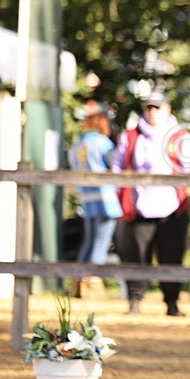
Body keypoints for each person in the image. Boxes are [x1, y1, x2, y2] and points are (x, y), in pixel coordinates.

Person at [113, 92, 190, 316]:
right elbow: (118, 167)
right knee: (136, 257)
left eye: (157, 107)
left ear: (168, 109)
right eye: (149, 107)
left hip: (171, 209)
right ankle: (135, 301)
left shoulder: (181, 136)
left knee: (172, 256)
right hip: (139, 208)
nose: (153, 111)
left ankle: (172, 303)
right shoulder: (130, 137)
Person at [67, 111, 122, 297]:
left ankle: (77, 283)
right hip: (106, 199)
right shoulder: (103, 143)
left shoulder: (77, 145)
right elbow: (116, 165)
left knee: (88, 243)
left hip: (86, 199)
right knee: (100, 243)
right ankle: (92, 284)